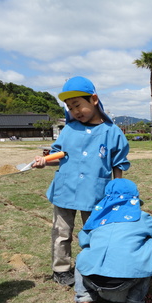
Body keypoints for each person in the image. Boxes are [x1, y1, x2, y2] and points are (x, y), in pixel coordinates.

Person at [32, 76, 130, 286]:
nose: (74, 111)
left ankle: (93, 266)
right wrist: (44, 161)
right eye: (69, 107)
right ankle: (61, 269)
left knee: (95, 233)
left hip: (96, 193)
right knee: (61, 233)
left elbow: (118, 163)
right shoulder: (68, 130)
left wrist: (116, 191)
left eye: (77, 105)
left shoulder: (112, 132)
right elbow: (56, 155)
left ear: (94, 100)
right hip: (65, 191)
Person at [72, 179, 152, 303]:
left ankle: (84, 301)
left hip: (92, 278)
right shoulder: (141, 217)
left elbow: (83, 242)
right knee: (149, 245)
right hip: (128, 279)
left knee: (84, 256)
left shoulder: (95, 219)